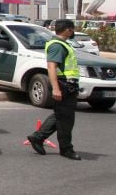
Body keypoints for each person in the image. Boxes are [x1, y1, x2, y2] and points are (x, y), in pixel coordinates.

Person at [27, 19, 82, 160]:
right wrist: (56, 89)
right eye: (72, 29)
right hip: (63, 85)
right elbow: (51, 67)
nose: (73, 32)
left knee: (60, 115)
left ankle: (38, 137)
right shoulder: (57, 46)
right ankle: (66, 149)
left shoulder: (62, 44)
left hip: (68, 85)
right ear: (67, 30)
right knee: (66, 120)